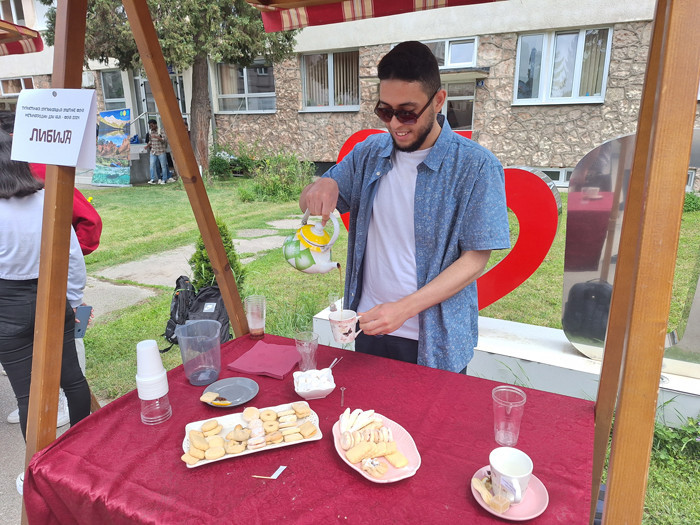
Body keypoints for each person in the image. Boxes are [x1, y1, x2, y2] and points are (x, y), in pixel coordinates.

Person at [299, 41, 511, 373]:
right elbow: (308, 202)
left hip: (436, 342)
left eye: (408, 112)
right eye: (386, 111)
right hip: (369, 325)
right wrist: (320, 186)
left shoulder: (476, 166)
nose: (396, 123)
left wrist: (403, 309)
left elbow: (475, 259)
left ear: (438, 100)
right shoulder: (370, 152)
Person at [0, 130, 92, 494]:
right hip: (51, 297)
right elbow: (73, 257)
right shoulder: (47, 199)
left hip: (8, 307)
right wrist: (73, 299)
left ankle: (41, 466)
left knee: (27, 395)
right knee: (72, 379)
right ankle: (83, 454)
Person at [146, 118, 174, 184]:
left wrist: (158, 138)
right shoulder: (150, 132)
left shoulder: (160, 131)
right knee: (152, 165)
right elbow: (150, 141)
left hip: (161, 151)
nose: (151, 127)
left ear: (155, 124)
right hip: (153, 151)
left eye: (152, 125)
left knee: (163, 166)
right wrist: (147, 145)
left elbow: (164, 140)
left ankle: (164, 179)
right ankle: (152, 179)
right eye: (150, 126)